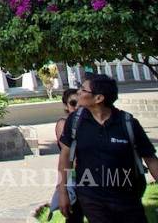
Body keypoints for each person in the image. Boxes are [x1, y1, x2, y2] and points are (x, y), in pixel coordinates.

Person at [58, 73, 158, 223]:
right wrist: (63, 192)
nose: (78, 92)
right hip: (92, 198)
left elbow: (150, 159)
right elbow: (65, 158)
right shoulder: (75, 121)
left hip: (127, 198)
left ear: (99, 98)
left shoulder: (127, 123)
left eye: (83, 90)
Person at [49, 88, 83, 221]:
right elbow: (67, 155)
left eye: (79, 103)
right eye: (73, 103)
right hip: (73, 177)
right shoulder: (63, 124)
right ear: (66, 106)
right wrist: (62, 189)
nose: (77, 107)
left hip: (94, 177)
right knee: (74, 216)